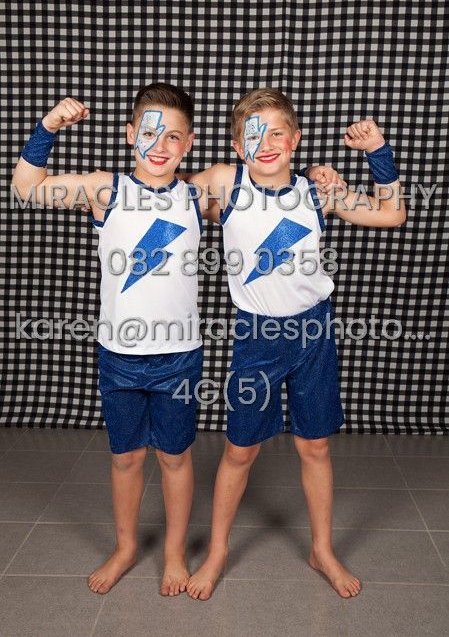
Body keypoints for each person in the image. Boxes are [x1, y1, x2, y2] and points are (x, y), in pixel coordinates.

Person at [11, 83, 341, 597]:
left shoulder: (198, 195)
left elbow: (266, 198)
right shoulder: (105, 190)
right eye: (149, 133)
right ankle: (125, 547)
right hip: (118, 354)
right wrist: (48, 127)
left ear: (189, 144)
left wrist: (321, 177)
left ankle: (173, 553)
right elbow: (27, 188)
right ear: (130, 134)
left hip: (180, 356)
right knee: (125, 458)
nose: (160, 145)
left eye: (173, 137)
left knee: (175, 457)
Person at [184, 88, 406, 601]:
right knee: (240, 450)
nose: (265, 144)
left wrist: (378, 152)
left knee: (316, 445)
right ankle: (217, 552)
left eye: (276, 133)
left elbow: (392, 213)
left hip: (312, 333)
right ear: (236, 146)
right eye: (253, 135)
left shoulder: (317, 192)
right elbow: (165, 194)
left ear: (295, 139)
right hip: (256, 335)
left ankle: (322, 549)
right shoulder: (226, 182)